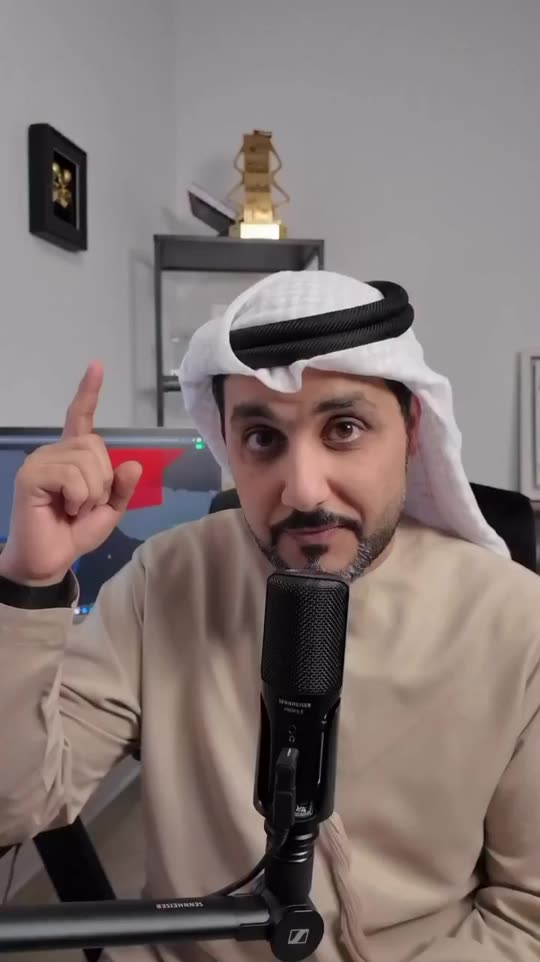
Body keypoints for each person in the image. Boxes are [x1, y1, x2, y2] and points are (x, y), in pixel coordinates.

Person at [0, 270, 539, 962]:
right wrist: (29, 586)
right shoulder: (167, 579)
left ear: (410, 432)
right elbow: (16, 806)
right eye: (262, 438)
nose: (303, 491)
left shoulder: (515, 622)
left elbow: (526, 917)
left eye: (344, 429)